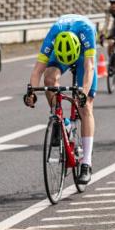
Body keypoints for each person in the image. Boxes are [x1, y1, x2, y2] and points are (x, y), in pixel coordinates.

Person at [23, 14, 97, 185]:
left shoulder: (87, 32)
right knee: (49, 79)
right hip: (61, 52)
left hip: (82, 56)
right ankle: (62, 121)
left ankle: (86, 163)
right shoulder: (54, 34)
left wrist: (84, 93)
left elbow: (89, 67)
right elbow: (37, 70)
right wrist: (31, 93)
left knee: (86, 107)